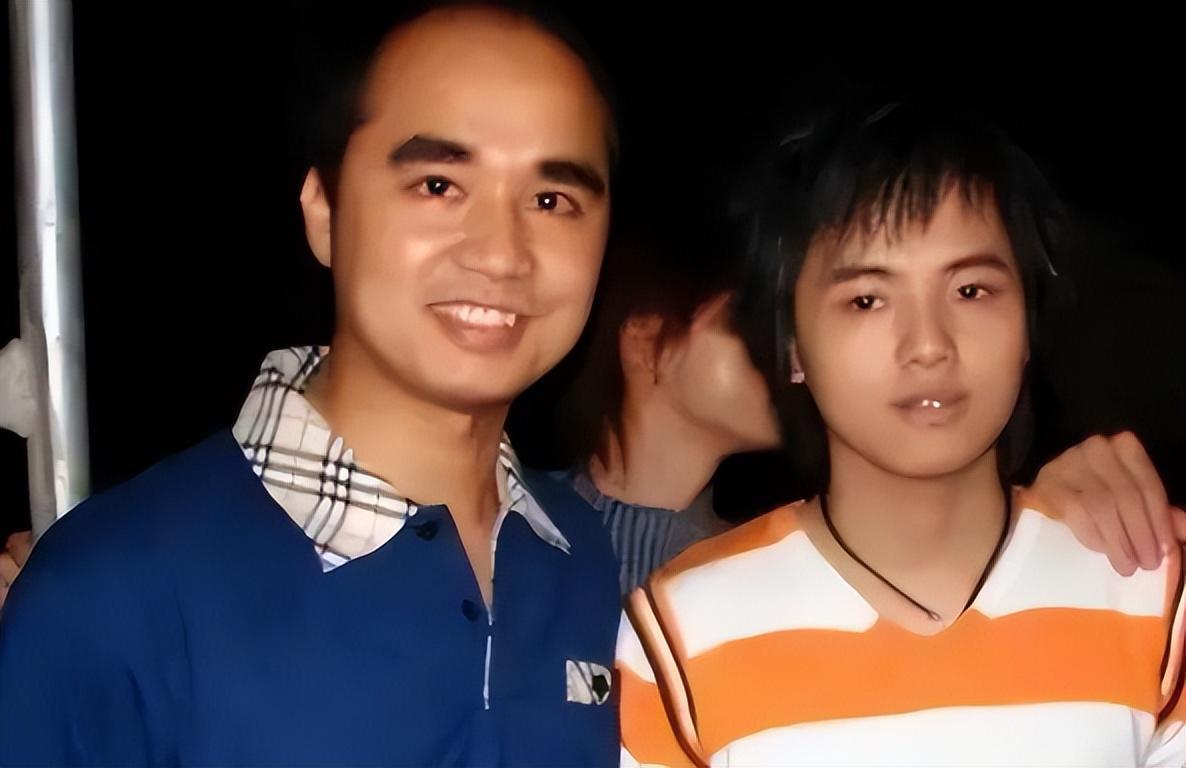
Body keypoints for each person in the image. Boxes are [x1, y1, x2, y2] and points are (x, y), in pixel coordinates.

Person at [0, 4, 621, 765]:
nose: (501, 253)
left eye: (552, 201)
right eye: (438, 185)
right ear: (324, 212)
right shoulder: (111, 593)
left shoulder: (577, 557)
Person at [617, 101, 1184, 766]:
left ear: (1027, 322)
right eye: (867, 300)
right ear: (793, 347)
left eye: (971, 291)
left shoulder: (1152, 595)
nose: (928, 344)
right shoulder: (681, 633)